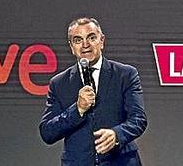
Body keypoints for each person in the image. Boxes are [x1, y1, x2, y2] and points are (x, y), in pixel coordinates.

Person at [39, 17, 147, 166]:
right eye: (78, 40)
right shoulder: (59, 83)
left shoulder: (125, 74)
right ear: (71, 47)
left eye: (91, 37)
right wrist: (77, 110)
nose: (85, 45)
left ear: (101, 41)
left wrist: (117, 135)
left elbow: (138, 119)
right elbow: (47, 132)